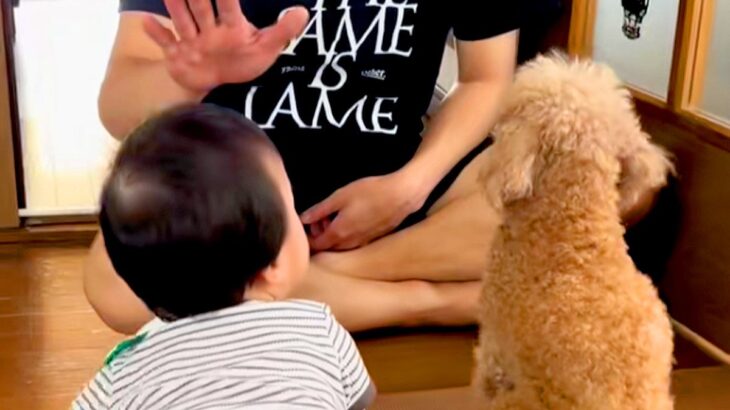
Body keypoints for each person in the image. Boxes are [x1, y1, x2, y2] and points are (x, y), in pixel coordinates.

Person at [86, 0, 656, 334]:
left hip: (397, 189)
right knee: (115, 284)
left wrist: (409, 187)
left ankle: (314, 279)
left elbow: (486, 79)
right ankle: (435, 302)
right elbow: (118, 108)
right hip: (239, 208)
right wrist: (189, 78)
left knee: (608, 176)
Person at [73, 105, 375, 410]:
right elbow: (358, 400)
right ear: (272, 267)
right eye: (292, 205)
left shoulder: (120, 378)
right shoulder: (318, 329)